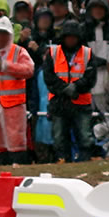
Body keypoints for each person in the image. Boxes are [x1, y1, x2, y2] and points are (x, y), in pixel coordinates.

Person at [0, 16, 35, 165]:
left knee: (16, 140)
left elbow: (29, 70)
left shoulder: (19, 52)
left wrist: (5, 66)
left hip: (13, 105)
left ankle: (18, 164)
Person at [43, 18, 98, 162]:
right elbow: (48, 77)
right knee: (59, 138)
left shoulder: (87, 53)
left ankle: (85, 161)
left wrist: (76, 87)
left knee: (85, 137)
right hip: (58, 103)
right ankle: (63, 162)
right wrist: (64, 89)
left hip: (81, 103)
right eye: (68, 37)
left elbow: (91, 78)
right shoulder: (53, 53)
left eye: (74, 37)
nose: (71, 40)